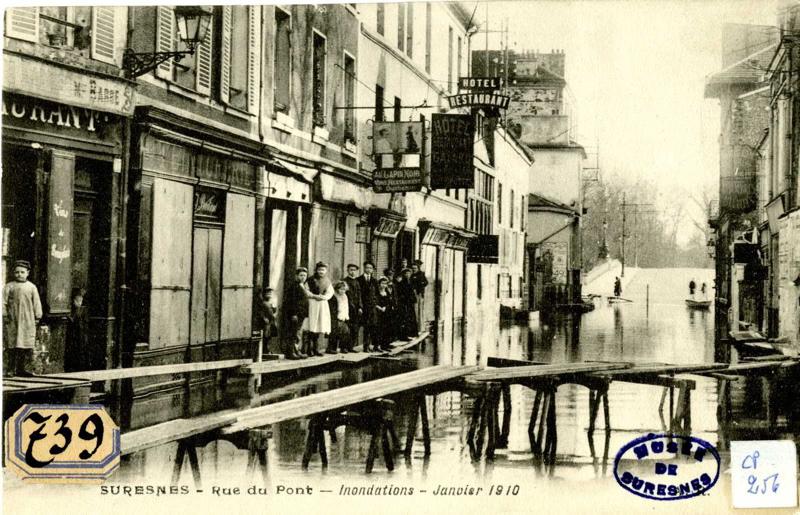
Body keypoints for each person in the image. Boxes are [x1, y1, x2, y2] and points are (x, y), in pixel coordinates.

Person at [3, 260, 42, 376]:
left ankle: (23, 369)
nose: (19, 274)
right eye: (17, 272)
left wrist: (37, 316)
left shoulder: (31, 287)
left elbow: (36, 303)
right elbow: (3, 302)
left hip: (27, 320)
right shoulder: (9, 286)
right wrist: (4, 315)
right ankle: (10, 369)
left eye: (22, 272)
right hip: (12, 320)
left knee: (25, 346)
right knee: (12, 345)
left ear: (27, 273)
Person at [304, 262, 334, 357]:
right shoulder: (310, 280)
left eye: (323, 270)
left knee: (319, 326)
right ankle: (309, 349)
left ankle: (316, 348)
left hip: (322, 304)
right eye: (319, 269)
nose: (321, 272)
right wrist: (314, 296)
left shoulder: (327, 281)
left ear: (326, 271)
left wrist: (323, 297)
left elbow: (330, 293)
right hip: (313, 303)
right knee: (312, 326)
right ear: (316, 270)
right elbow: (306, 290)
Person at [282, 267, 309, 359]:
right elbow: (291, 301)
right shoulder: (294, 287)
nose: (303, 277)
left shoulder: (303, 285)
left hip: (301, 314)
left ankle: (297, 351)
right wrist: (293, 314)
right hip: (295, 315)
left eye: (305, 275)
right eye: (301, 275)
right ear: (296, 276)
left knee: (297, 333)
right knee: (292, 333)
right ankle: (290, 353)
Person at [65, 287, 89, 372]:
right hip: (74, 334)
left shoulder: (82, 310)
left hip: (79, 334)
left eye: (80, 301)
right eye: (77, 300)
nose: (79, 302)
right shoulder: (74, 309)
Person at [357, 261, 379, 352]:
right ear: (364, 268)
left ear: (373, 270)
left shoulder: (374, 281)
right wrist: (360, 306)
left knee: (371, 327)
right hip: (363, 307)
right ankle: (365, 347)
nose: (368, 269)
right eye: (367, 267)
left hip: (372, 307)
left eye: (370, 268)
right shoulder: (359, 279)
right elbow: (358, 294)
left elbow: (377, 294)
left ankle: (369, 345)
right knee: (364, 327)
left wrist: (375, 304)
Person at [327, 281, 351, 353]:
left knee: (345, 332)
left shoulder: (345, 296)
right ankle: (331, 348)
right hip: (336, 317)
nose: (342, 291)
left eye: (344, 289)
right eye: (340, 289)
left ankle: (343, 347)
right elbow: (332, 308)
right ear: (337, 289)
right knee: (335, 333)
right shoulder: (334, 296)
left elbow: (346, 306)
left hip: (343, 316)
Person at [374, 277, 396, 351]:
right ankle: (377, 346)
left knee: (387, 329)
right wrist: (380, 308)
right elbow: (374, 302)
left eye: (385, 283)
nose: (384, 285)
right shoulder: (376, 292)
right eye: (382, 283)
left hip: (387, 313)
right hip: (378, 313)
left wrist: (386, 307)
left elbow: (390, 302)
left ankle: (385, 345)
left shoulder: (387, 293)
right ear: (379, 284)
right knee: (378, 329)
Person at [343, 264, 362, 349]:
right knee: (348, 328)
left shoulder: (357, 282)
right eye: (351, 270)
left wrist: (360, 307)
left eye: (354, 270)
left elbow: (359, 295)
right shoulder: (344, 281)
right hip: (347, 308)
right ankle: (345, 347)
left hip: (356, 309)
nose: (353, 272)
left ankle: (352, 346)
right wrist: (350, 305)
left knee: (355, 328)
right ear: (347, 270)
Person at [396, 268, 418, 339]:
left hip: (410, 303)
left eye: (409, 273)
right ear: (404, 274)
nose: (407, 275)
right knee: (404, 318)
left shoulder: (410, 282)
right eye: (406, 273)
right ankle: (404, 335)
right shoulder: (401, 283)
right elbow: (400, 293)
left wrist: (414, 299)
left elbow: (412, 291)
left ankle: (411, 333)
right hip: (404, 303)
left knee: (411, 318)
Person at [259, 288, 278, 356]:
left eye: (270, 293)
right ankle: (265, 349)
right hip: (266, 322)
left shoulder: (270, 303)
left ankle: (268, 349)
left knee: (270, 336)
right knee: (265, 335)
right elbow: (260, 312)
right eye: (267, 293)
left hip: (271, 321)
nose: (269, 295)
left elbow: (274, 312)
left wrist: (274, 307)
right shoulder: (263, 303)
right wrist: (264, 318)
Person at [410, 260, 429, 332]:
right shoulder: (412, 275)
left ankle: (420, 328)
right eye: (413, 268)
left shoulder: (421, 274)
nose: (414, 270)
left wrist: (420, 286)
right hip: (412, 294)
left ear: (418, 268)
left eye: (415, 268)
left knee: (419, 310)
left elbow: (426, 282)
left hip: (419, 294)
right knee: (414, 310)